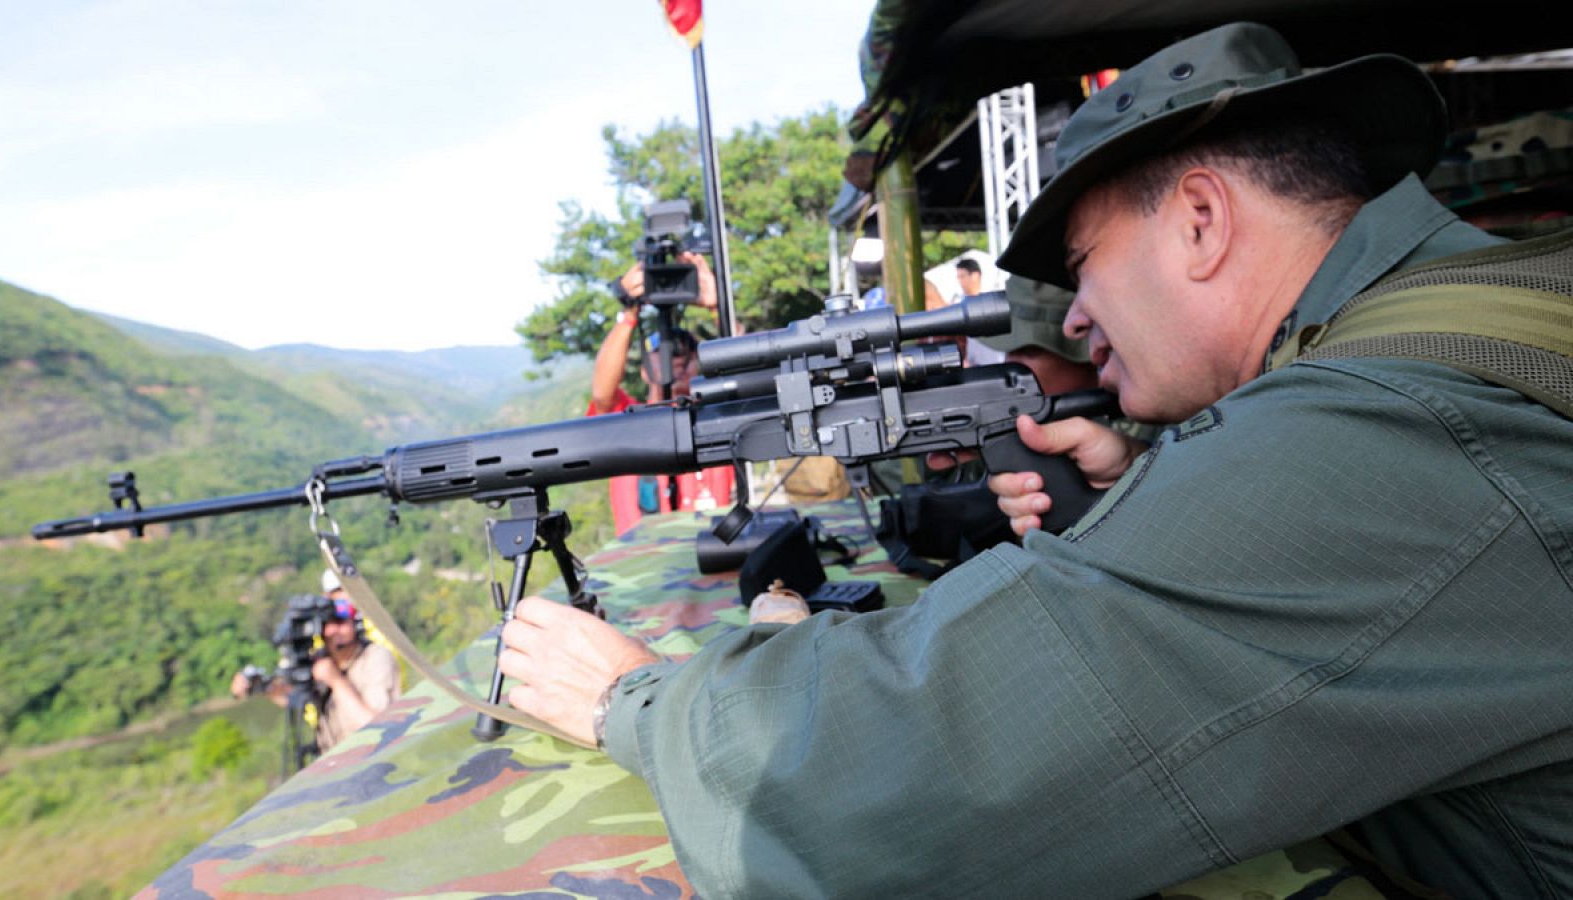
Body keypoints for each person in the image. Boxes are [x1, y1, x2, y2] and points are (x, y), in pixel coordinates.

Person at [493, 23, 1573, 897]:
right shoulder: (1478, 313)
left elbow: (906, 794)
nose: (1075, 317)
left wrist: (635, 699)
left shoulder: (1384, 428)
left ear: (1199, 221)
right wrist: (1156, 483)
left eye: (1080, 263)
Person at [589, 251, 735, 534]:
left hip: (711, 557)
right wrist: (629, 312)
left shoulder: (718, 416)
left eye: (687, 352)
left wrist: (719, 308)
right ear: (644, 368)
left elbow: (751, 372)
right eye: (663, 352)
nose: (677, 359)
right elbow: (602, 394)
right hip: (644, 564)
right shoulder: (625, 420)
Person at [231, 569, 401, 754]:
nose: (335, 630)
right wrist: (259, 687)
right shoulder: (319, 660)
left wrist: (336, 681)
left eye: (342, 621)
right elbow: (293, 698)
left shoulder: (376, 656)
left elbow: (378, 731)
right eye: (327, 623)